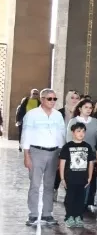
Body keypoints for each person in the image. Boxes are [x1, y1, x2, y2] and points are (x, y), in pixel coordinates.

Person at [21, 89, 66, 225]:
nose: (52, 101)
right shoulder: (32, 115)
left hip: (54, 153)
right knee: (35, 184)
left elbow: (61, 135)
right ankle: (33, 214)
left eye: (54, 99)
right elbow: (26, 134)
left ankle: (47, 213)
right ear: (42, 99)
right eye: (49, 99)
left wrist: (60, 154)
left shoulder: (58, 115)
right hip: (36, 152)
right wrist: (26, 155)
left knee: (49, 184)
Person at [59, 123, 96, 227]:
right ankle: (69, 216)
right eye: (78, 131)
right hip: (70, 178)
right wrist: (62, 178)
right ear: (73, 132)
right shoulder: (67, 146)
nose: (81, 133)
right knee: (70, 198)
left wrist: (90, 177)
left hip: (82, 178)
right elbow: (62, 162)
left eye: (83, 131)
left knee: (81, 198)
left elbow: (90, 163)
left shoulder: (87, 146)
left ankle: (78, 216)